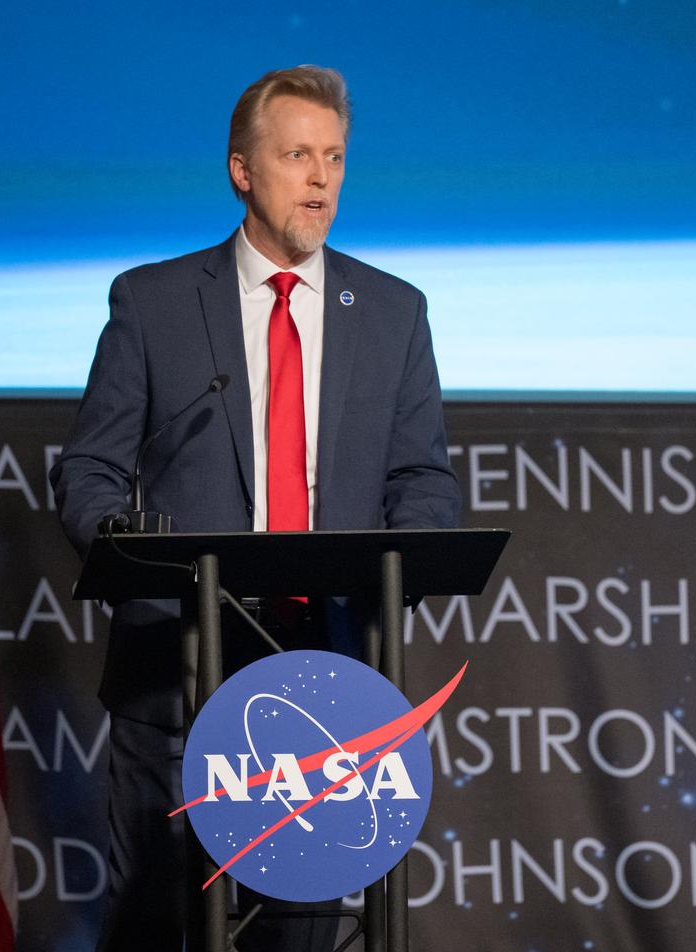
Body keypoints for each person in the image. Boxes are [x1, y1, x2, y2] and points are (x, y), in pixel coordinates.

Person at [50, 65, 461, 952]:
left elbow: (422, 481)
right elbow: (89, 471)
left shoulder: (393, 312)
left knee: (302, 931)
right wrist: (131, 553)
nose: (321, 180)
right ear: (242, 170)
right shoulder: (154, 303)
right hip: (177, 669)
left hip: (326, 679)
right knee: (158, 925)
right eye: (298, 155)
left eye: (335, 158)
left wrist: (404, 565)